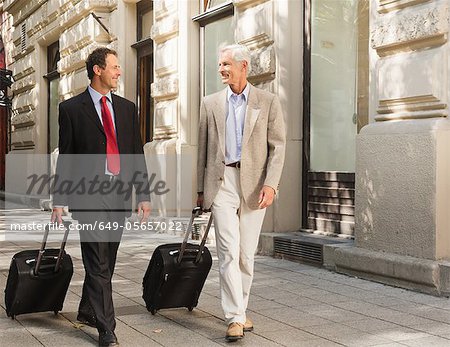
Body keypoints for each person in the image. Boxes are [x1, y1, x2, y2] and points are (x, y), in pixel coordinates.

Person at [51, 47, 151, 346]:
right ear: (98, 70)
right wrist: (59, 199)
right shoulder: (71, 109)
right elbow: (66, 157)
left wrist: (143, 194)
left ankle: (86, 309)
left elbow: (136, 153)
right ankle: (107, 328)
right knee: (98, 262)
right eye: (115, 67)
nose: (119, 72)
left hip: (119, 194)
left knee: (108, 257)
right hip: (88, 196)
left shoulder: (126, 107)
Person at [197, 44, 286, 341]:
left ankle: (241, 308)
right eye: (220, 64)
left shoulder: (268, 101)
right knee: (227, 251)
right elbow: (204, 150)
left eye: (226, 64)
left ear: (243, 66)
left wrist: (271, 184)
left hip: (255, 184)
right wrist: (200, 189)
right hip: (222, 182)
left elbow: (278, 148)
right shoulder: (210, 103)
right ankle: (235, 316)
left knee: (246, 254)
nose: (221, 69)